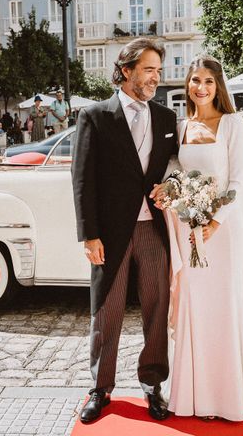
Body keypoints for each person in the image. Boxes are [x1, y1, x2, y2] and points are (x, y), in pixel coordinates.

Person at [152, 55, 243, 421]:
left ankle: (226, 395)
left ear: (218, 86)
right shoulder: (182, 125)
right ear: (187, 85)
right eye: (194, 80)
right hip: (188, 228)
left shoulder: (233, 123)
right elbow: (176, 167)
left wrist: (215, 221)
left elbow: (236, 183)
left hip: (224, 230)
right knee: (194, 308)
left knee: (224, 307)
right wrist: (169, 186)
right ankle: (194, 395)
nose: (200, 87)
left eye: (208, 81)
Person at [71, 38, 178, 424]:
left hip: (154, 231)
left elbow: (176, 169)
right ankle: (100, 389)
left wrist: (175, 188)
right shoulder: (95, 116)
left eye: (158, 71)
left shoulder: (166, 119)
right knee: (107, 312)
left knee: (157, 308)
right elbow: (82, 179)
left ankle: (153, 384)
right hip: (110, 235)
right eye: (149, 69)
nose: (155, 77)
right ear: (127, 70)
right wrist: (89, 235)